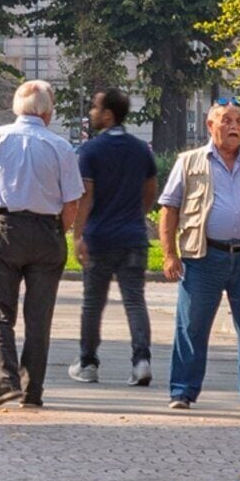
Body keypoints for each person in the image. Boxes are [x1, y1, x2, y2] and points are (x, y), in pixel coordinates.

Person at [157, 102, 240, 411]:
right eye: (226, 120)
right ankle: (182, 391)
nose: (234, 126)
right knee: (192, 327)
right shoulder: (189, 162)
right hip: (203, 257)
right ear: (210, 126)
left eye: (239, 121)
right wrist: (169, 254)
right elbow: (169, 208)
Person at [0, 79, 86, 408]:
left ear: (16, 108)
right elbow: (72, 201)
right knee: (39, 316)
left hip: (5, 226)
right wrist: (57, 230)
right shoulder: (60, 146)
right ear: (47, 112)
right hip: (46, 231)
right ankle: (32, 389)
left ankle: (5, 381)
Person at [71, 89, 161, 388]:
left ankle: (88, 363)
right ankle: (141, 361)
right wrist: (138, 214)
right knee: (134, 301)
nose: (92, 113)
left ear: (108, 114)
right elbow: (151, 190)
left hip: (99, 237)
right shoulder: (140, 149)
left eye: (95, 108)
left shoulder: (91, 150)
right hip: (133, 235)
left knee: (93, 303)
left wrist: (78, 234)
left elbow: (86, 195)